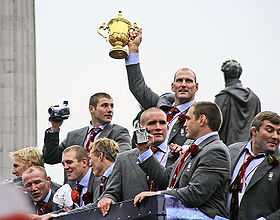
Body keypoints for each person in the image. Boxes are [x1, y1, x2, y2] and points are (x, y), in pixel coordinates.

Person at [133, 102, 230, 220]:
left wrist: (157, 195)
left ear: (202, 120)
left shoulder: (215, 151)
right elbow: (166, 177)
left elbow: (195, 194)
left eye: (188, 118)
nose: (184, 124)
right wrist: (144, 151)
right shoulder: (195, 148)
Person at [97, 107, 178, 216]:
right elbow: (112, 192)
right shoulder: (124, 159)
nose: (158, 127)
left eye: (162, 123)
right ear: (141, 127)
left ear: (168, 127)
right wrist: (107, 198)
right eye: (152, 123)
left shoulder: (179, 155)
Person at [125, 28, 198, 147]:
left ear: (196, 87)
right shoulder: (160, 104)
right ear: (173, 87)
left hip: (176, 164)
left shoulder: (199, 115)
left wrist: (185, 150)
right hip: (146, 161)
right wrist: (133, 49)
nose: (183, 84)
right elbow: (137, 87)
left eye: (188, 81)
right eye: (179, 81)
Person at [43, 92, 131, 165]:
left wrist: (98, 152)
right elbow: (50, 158)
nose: (110, 110)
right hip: (75, 185)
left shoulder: (119, 132)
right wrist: (55, 127)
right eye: (104, 106)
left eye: (112, 106)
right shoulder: (73, 136)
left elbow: (124, 157)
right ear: (92, 108)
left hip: (102, 184)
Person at [228, 111, 280, 220]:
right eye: (270, 130)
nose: (275, 136)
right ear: (254, 131)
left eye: (279, 132)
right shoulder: (232, 151)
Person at [215, 59, 261, 145]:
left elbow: (214, 126)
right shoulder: (254, 98)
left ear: (224, 75)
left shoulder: (222, 96)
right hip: (249, 150)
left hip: (226, 151)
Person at [89, 138, 119, 202]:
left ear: (100, 156)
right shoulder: (99, 186)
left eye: (91, 158)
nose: (90, 164)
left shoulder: (121, 176)